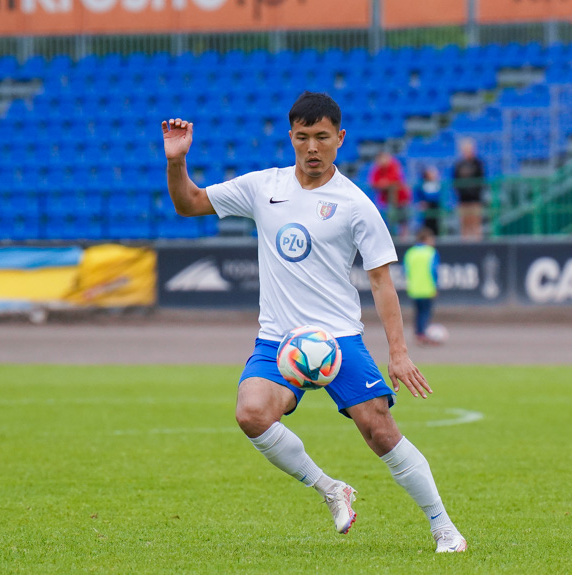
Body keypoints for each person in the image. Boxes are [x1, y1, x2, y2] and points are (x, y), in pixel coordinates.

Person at [161, 91, 467, 554]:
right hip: (278, 340)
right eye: (302, 137)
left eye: (322, 137)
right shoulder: (264, 186)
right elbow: (190, 204)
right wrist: (176, 163)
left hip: (338, 339)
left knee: (380, 431)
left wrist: (399, 354)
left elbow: (383, 283)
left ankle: (444, 526)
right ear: (291, 137)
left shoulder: (355, 204)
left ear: (339, 139)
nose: (312, 148)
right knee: (251, 412)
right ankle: (330, 488)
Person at [404, 227, 440, 345]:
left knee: (418, 312)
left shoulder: (410, 252)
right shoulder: (431, 252)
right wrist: (435, 286)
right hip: (427, 288)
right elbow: (434, 271)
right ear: (426, 239)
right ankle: (423, 334)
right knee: (425, 312)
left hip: (414, 288)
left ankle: (418, 334)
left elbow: (405, 270)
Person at [368, 151, 411, 237]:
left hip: (401, 198)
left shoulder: (394, 165)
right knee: (387, 219)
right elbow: (373, 183)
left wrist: (384, 183)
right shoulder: (377, 169)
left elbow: (394, 180)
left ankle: (403, 236)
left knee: (403, 219)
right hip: (386, 200)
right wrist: (384, 184)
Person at [452, 138, 485, 240]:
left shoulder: (478, 163)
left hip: (475, 199)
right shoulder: (459, 165)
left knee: (475, 224)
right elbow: (455, 181)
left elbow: (481, 180)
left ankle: (477, 244)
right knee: (464, 225)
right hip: (463, 200)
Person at [415, 165, 442, 235]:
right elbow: (419, 196)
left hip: (436, 207)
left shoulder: (439, 184)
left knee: (436, 223)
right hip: (427, 208)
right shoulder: (422, 184)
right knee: (427, 224)